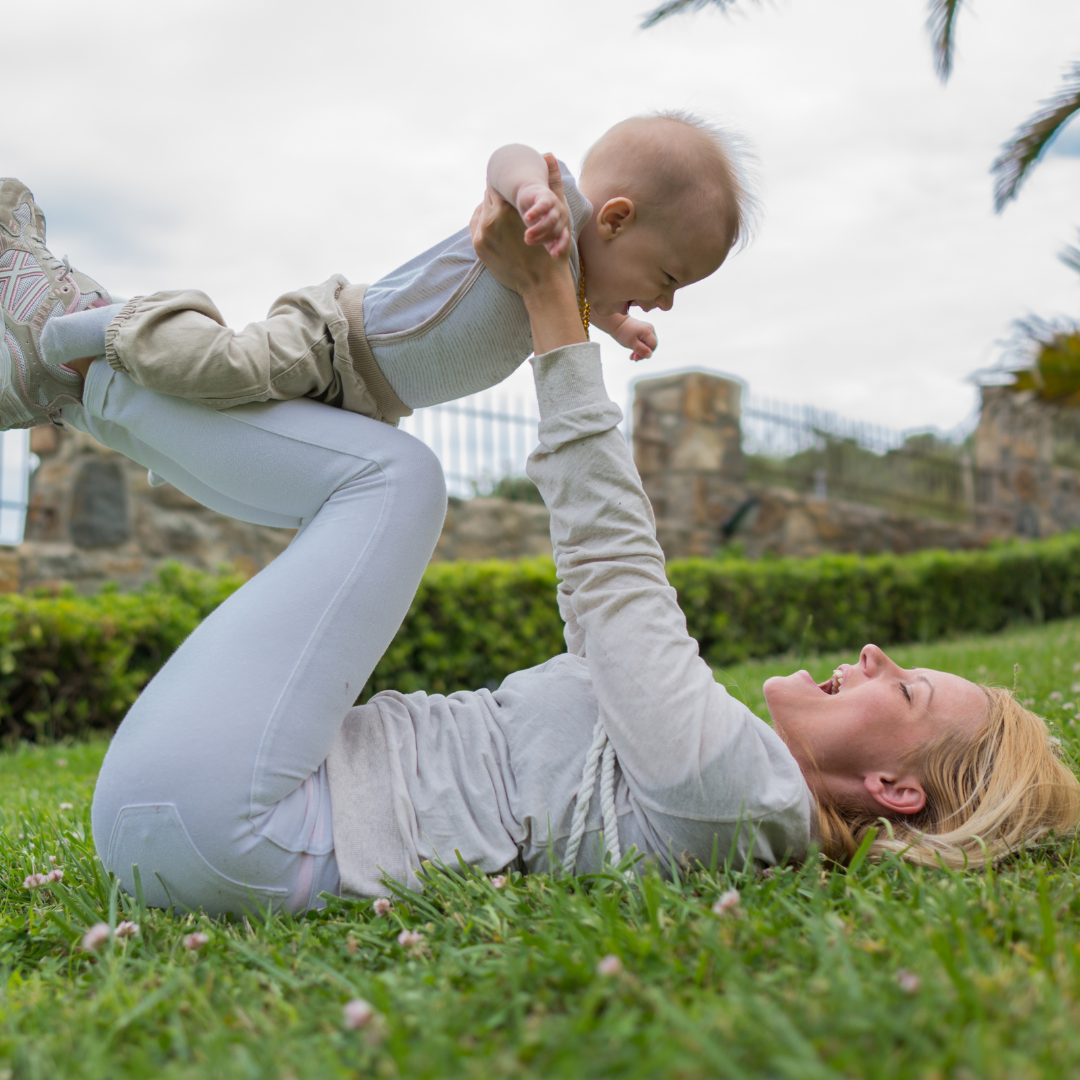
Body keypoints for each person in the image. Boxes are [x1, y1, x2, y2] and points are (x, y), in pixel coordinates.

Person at [12, 182, 1079, 920]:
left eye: (903, 694)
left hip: (233, 821)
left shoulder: (736, 788)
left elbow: (616, 586)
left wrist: (551, 316)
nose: (881, 657)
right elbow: (600, 621)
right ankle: (66, 362)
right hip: (209, 822)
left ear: (893, 789)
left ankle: (73, 351)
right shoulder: (717, 779)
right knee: (378, 466)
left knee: (393, 479)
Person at [0, 111, 745, 433]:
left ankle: (69, 372)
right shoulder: (554, 207)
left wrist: (623, 324)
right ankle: (97, 321)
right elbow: (510, 155)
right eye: (670, 277)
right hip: (334, 338)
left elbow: (594, 307)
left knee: (228, 416)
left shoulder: (576, 291)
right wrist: (526, 193)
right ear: (613, 219)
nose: (666, 301)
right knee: (223, 367)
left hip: (374, 401)